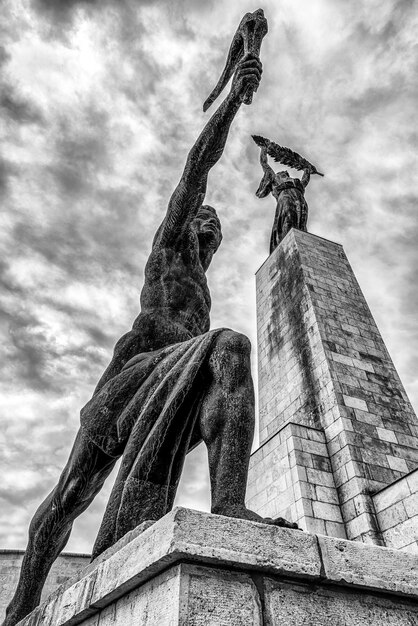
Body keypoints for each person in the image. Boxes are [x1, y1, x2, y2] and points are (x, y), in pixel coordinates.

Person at [3, 51, 297, 626]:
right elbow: (197, 166)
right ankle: (23, 599)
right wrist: (234, 99)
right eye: (205, 220)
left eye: (218, 228)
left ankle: (229, 503)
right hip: (127, 382)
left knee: (229, 349)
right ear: (187, 222)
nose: (211, 229)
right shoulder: (169, 250)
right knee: (69, 497)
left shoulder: (203, 291)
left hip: (170, 374)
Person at [256, 144, 311, 252]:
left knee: (302, 221)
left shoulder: (296, 181)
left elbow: (304, 181)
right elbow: (264, 164)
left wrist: (307, 170)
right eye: (281, 172)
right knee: (290, 215)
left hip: (299, 197)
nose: (284, 172)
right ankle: (287, 243)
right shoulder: (274, 178)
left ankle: (301, 242)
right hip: (285, 195)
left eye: (285, 172)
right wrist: (263, 150)